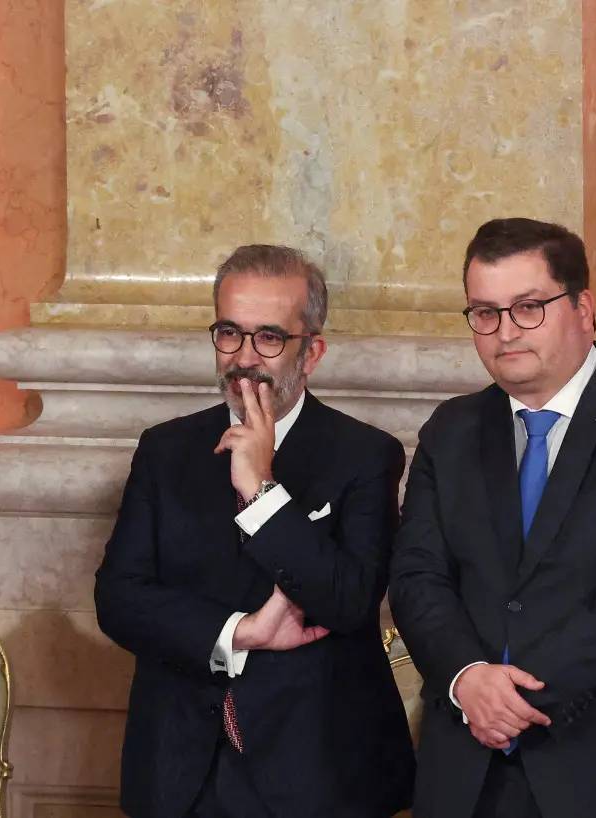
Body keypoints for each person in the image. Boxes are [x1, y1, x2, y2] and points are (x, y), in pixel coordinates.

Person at [389, 218, 596, 818]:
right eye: (484, 313)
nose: (504, 332)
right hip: (465, 769)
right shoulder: (451, 429)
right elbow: (416, 575)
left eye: (528, 307)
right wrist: (467, 680)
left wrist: (515, 692)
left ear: (584, 308)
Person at [94, 245, 415, 818]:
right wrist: (239, 632)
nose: (244, 357)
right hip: (178, 773)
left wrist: (263, 491)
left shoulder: (366, 455)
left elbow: (348, 600)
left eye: (269, 337)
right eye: (229, 333)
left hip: (317, 775)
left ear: (311, 351)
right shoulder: (164, 450)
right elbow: (119, 600)